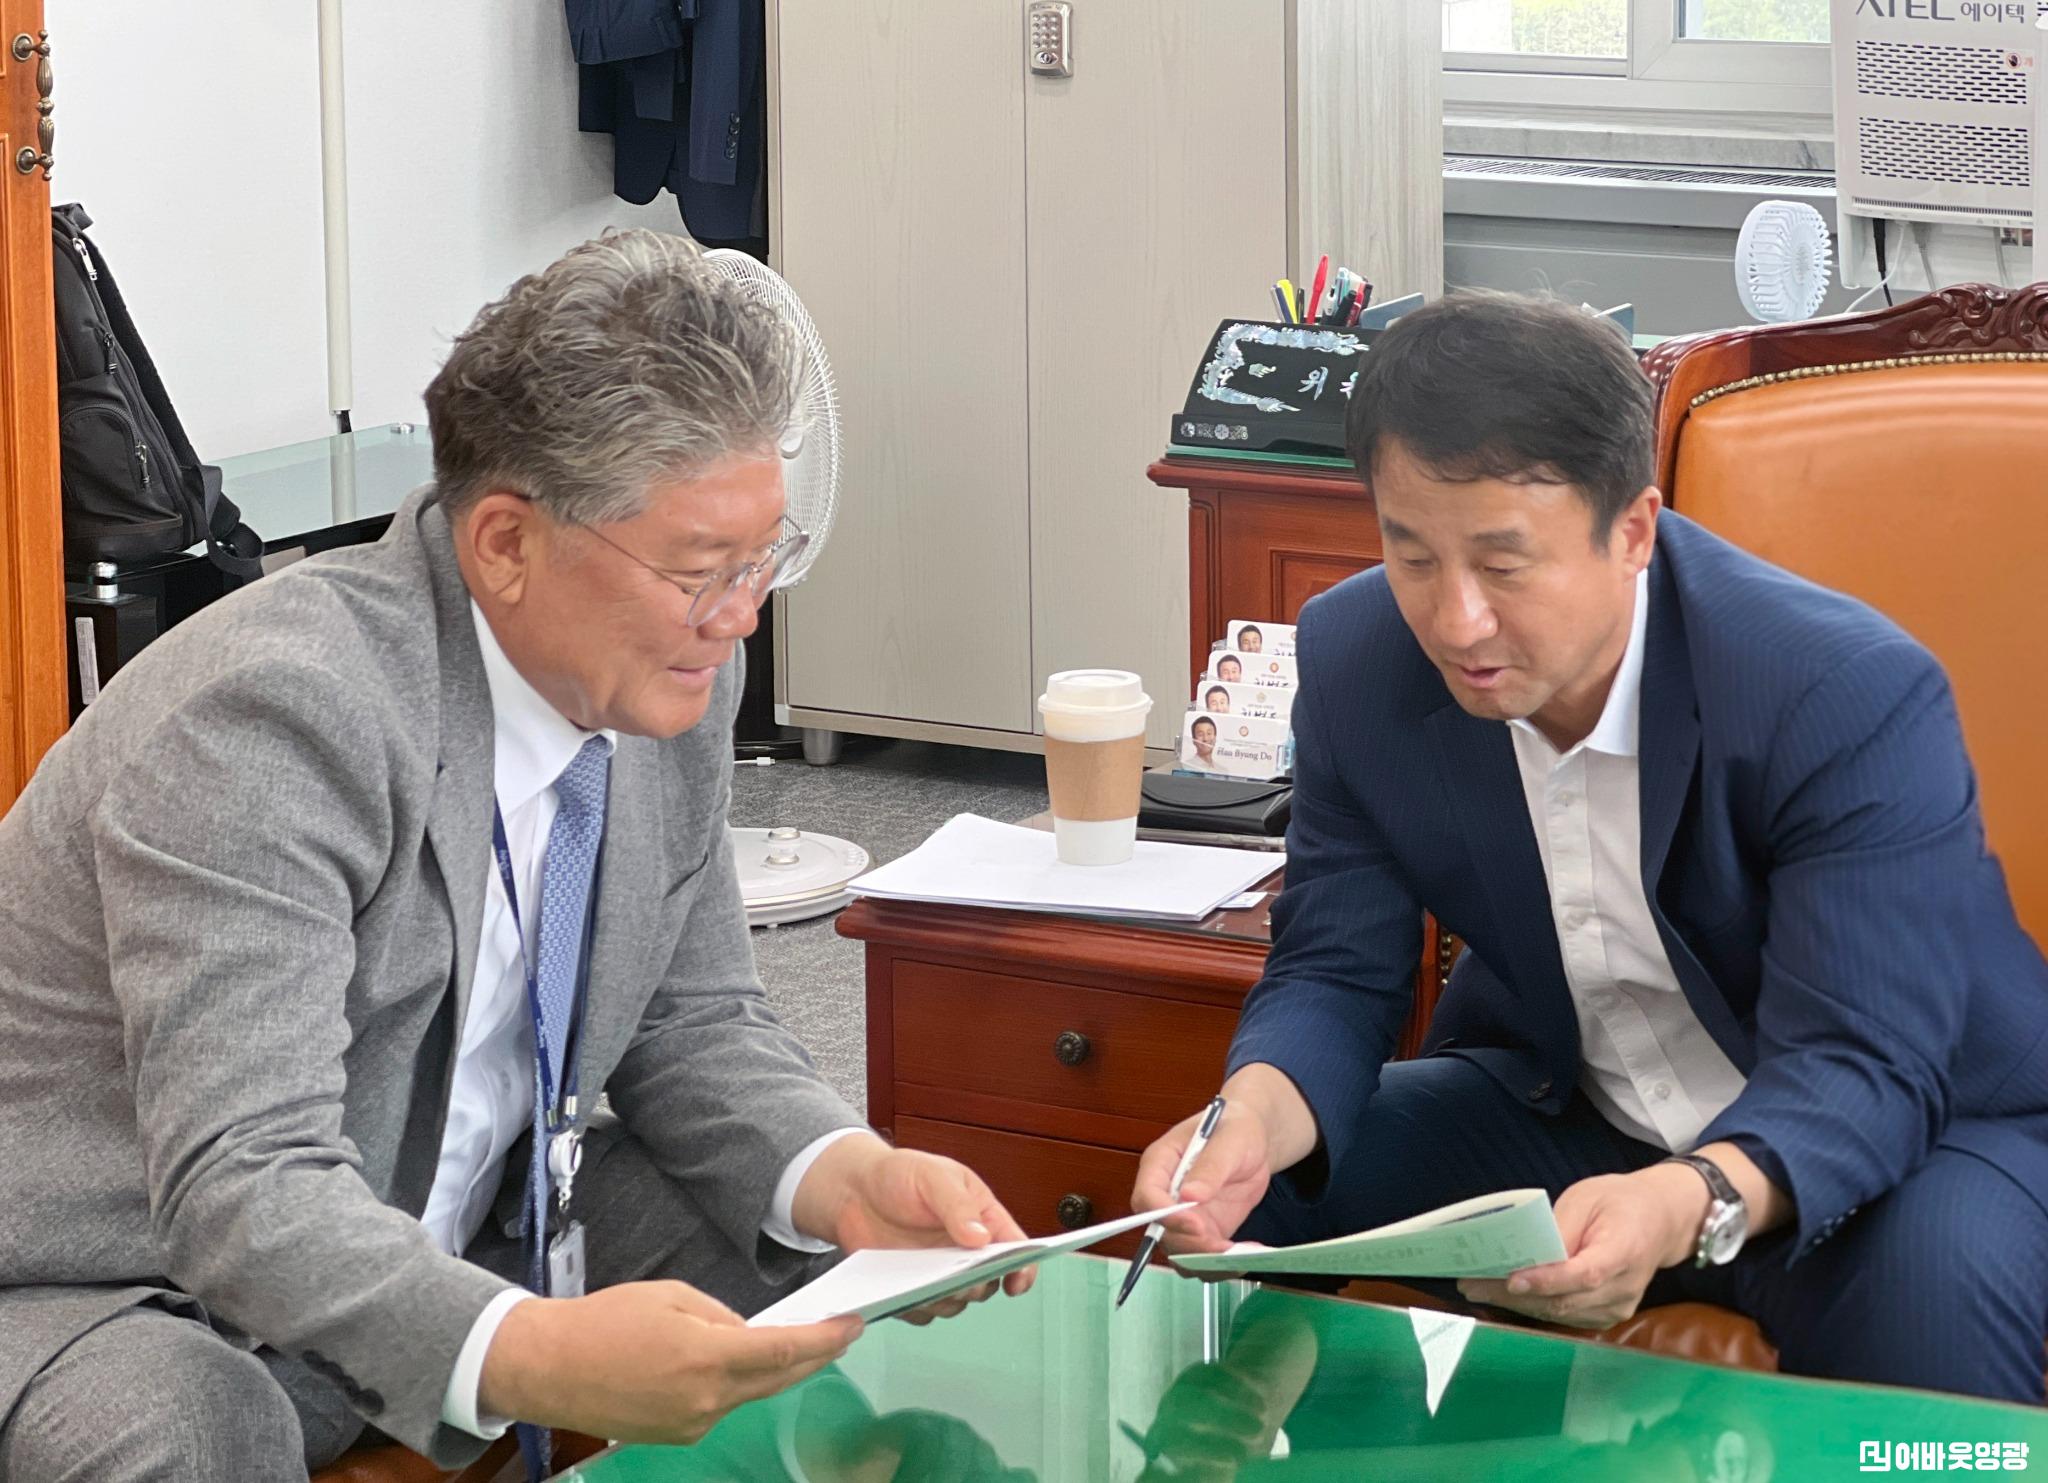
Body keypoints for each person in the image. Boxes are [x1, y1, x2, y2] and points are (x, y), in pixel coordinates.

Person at [0, 230, 1033, 1482]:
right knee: (189, 1425)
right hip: (118, 1279)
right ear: (503, 542)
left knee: (819, 1285)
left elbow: (693, 1019)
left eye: (763, 558)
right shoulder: (276, 713)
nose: (740, 614)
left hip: (467, 1205)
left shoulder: (672, 670)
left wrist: (845, 1176)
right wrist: (530, 1350)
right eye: (699, 569)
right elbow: (245, 1186)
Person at [1135, 292, 2048, 1404]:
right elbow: (1332, 966)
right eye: (1410, 554)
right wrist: (1247, 1116)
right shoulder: (1359, 658)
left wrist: (1680, 1200)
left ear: (1632, 531)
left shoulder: (1836, 687)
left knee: (1931, 1304)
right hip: (1578, 1111)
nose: (1455, 620)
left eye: (1503, 563)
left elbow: (1863, 1061)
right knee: (1252, 1197)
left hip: (1908, 1133)